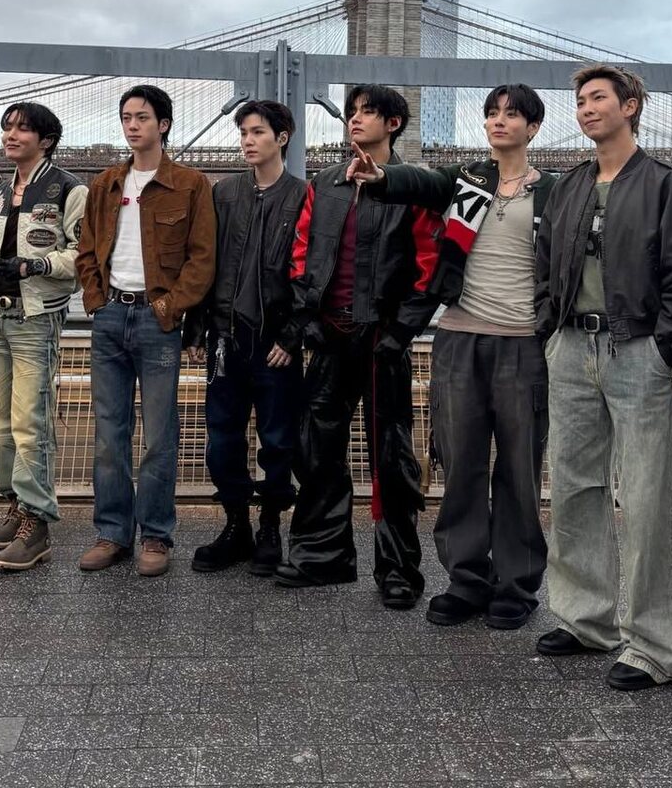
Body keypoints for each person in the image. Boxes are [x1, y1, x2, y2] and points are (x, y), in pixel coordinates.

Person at [348, 84, 555, 630]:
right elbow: (421, 182)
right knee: (460, 464)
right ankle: (466, 580)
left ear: (533, 128)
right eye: (491, 113)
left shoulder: (552, 193)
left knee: (519, 468)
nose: (499, 121)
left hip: (524, 343)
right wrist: (383, 177)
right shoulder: (467, 181)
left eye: (512, 114)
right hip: (460, 337)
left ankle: (516, 584)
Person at [535, 64, 672, 689]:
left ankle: (656, 648)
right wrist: (548, 325)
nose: (585, 109)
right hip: (570, 345)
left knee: (648, 496)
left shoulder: (667, 184)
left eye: (598, 98)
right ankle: (587, 620)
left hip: (636, 349)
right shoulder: (569, 184)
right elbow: (543, 263)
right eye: (580, 101)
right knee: (574, 486)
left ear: (630, 105)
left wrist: (664, 349)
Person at [274, 84, 441, 609]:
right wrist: (309, 320)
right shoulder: (325, 183)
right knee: (316, 449)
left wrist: (399, 332)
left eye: (368, 112)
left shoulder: (412, 188)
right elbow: (301, 254)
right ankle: (322, 556)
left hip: (382, 341)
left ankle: (398, 570)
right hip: (330, 335)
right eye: (351, 111)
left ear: (393, 123)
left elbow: (429, 266)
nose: (355, 119)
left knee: (391, 456)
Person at [76, 85, 215, 576]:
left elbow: (202, 259)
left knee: (159, 434)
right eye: (126, 117)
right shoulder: (105, 184)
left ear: (164, 125)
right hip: (111, 316)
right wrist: (96, 302)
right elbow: (86, 249)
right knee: (108, 434)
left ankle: (155, 534)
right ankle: (112, 533)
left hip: (158, 321)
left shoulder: (190, 184)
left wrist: (170, 308)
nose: (132, 125)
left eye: (142, 117)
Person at [184, 100, 307, 575]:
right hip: (225, 338)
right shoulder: (225, 194)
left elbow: (311, 273)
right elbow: (205, 262)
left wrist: (292, 336)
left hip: (274, 342)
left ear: (282, 137)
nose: (248, 141)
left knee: (277, 439)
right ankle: (236, 526)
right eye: (243, 133)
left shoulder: (303, 196)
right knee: (222, 439)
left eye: (257, 132)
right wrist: (198, 328)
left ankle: (271, 525)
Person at [0, 102, 87, 571]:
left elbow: (83, 255)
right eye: (7, 128)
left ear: (46, 140)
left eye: (22, 129)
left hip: (35, 318)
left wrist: (38, 264)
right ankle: (15, 506)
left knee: (28, 421)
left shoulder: (69, 190)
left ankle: (37, 523)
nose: (10, 135)